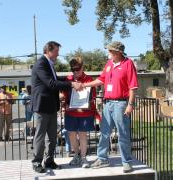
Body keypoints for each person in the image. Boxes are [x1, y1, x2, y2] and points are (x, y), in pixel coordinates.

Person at [82, 41, 139, 173]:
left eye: (110, 51)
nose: (108, 53)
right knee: (104, 133)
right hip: (108, 104)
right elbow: (101, 80)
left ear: (118, 52)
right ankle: (102, 158)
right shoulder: (109, 64)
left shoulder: (128, 63)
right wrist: (85, 85)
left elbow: (133, 87)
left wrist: (130, 104)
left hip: (121, 104)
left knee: (123, 134)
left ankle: (127, 162)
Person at [30, 41, 82, 173]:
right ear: (48, 51)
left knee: (52, 136)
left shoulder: (49, 64)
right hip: (42, 106)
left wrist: (70, 78)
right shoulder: (41, 63)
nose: (58, 54)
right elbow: (51, 83)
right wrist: (71, 84)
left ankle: (49, 160)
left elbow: (55, 78)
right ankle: (37, 162)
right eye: (56, 51)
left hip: (52, 106)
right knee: (40, 136)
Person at [63, 57, 96, 168]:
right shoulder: (68, 79)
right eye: (73, 69)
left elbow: (93, 97)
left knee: (82, 134)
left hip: (85, 113)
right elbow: (65, 95)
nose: (75, 72)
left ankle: (83, 158)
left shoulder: (89, 79)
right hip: (71, 112)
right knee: (71, 134)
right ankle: (76, 155)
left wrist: (87, 102)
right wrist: (65, 102)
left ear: (82, 68)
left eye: (77, 69)